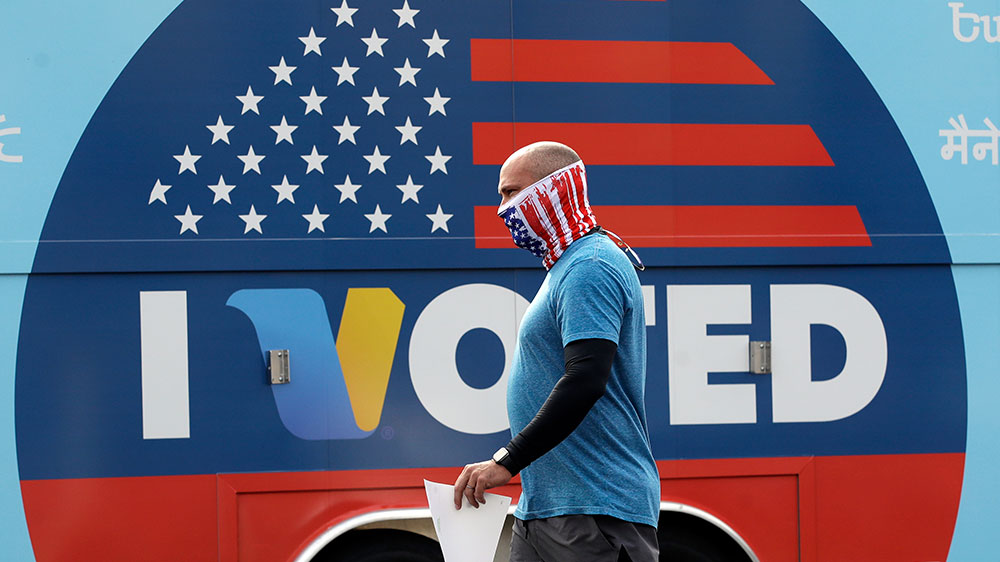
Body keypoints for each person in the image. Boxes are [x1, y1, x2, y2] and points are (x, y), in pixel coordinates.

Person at [452, 142, 660, 561]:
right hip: (546, 508)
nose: (502, 210)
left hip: (594, 509)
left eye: (511, 192)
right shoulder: (567, 266)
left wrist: (507, 460)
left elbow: (585, 379)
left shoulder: (591, 266)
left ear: (554, 189)